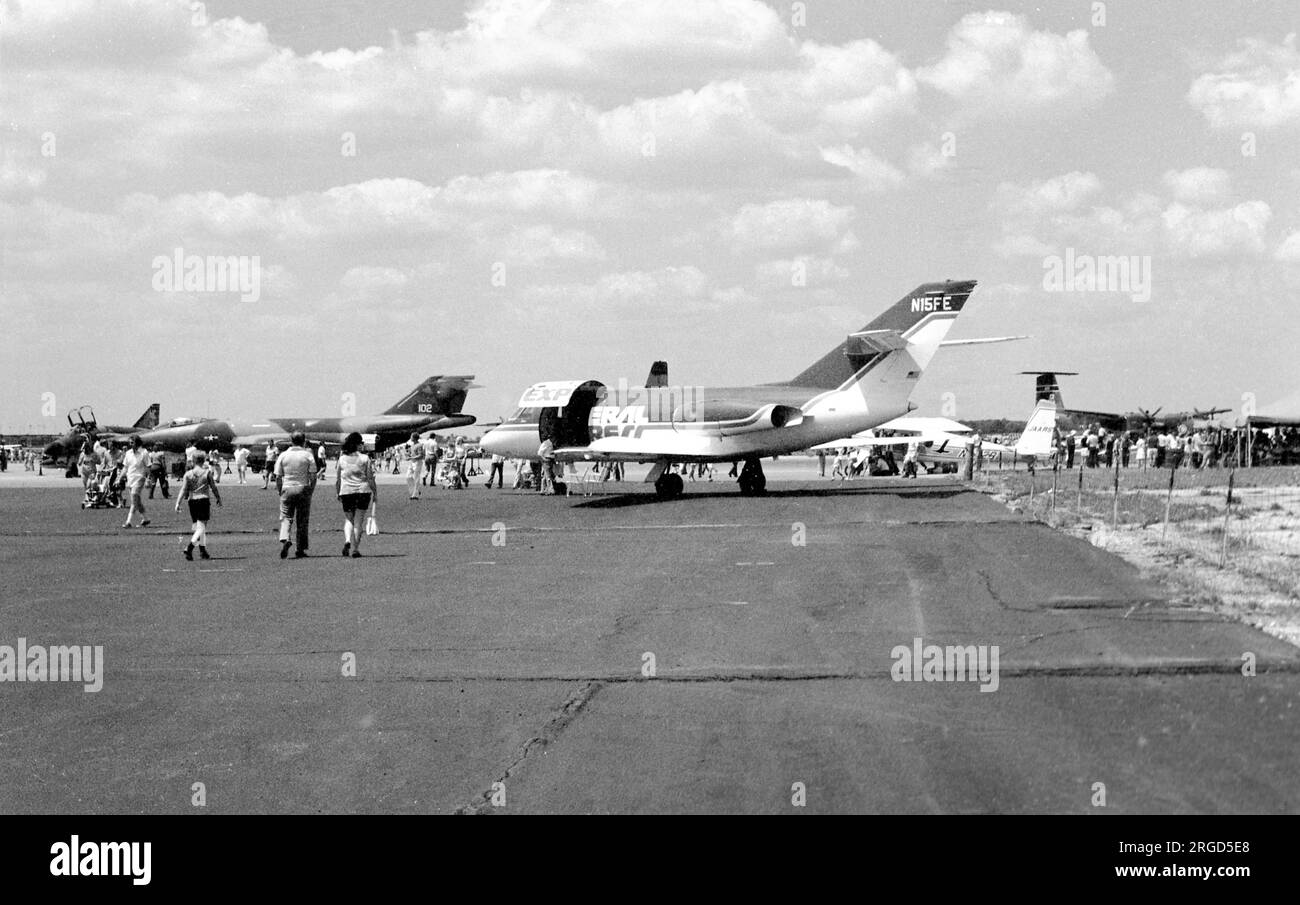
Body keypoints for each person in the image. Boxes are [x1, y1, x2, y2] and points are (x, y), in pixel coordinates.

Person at [335, 431, 377, 558]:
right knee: (358, 521)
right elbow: (370, 478)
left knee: (349, 519)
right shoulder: (365, 458)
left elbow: (338, 479)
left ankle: (347, 540)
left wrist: (338, 492)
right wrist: (375, 491)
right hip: (363, 491)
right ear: (358, 444)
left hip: (346, 491)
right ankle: (355, 549)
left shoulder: (342, 459)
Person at [274, 431, 317, 559]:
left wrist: (279, 490)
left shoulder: (283, 455)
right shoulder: (307, 455)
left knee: (286, 517)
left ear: (291, 441)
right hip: (303, 487)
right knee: (302, 520)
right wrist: (311, 489)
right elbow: (313, 475)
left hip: (287, 487)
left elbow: (278, 476)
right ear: (304, 441)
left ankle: (285, 538)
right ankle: (300, 549)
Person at [176, 449, 221, 560]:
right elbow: (213, 487)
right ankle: (189, 547)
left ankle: (202, 550)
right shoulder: (207, 473)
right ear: (203, 460)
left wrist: (178, 502)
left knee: (199, 527)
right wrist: (218, 498)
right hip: (203, 500)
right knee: (201, 527)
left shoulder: (188, 474)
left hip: (192, 501)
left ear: (194, 460)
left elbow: (183, 489)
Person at [119, 436, 152, 529]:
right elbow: (125, 467)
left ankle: (128, 521)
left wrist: (148, 479)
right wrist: (120, 478)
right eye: (130, 442)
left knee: (134, 497)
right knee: (136, 501)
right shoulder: (128, 453)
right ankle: (146, 518)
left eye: (132, 442)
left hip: (140, 478)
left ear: (137, 443)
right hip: (130, 479)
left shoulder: (144, 453)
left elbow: (148, 466)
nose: (130, 444)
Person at [402, 431, 422, 499]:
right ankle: (415, 490)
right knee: (408, 476)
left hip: (417, 462)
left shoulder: (419, 445)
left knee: (416, 478)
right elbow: (410, 453)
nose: (410, 437)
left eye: (411, 436)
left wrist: (411, 457)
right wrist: (407, 455)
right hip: (412, 462)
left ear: (414, 438)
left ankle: (415, 495)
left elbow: (420, 455)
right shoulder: (412, 445)